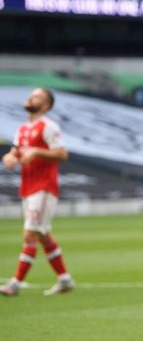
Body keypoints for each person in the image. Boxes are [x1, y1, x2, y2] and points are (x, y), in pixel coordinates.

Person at [1, 87, 76, 296]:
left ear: (46, 106)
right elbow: (16, 151)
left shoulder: (49, 127)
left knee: (30, 233)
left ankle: (14, 284)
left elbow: (62, 153)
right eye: (30, 95)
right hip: (28, 186)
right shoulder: (23, 128)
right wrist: (10, 157)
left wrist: (37, 151)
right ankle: (65, 279)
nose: (30, 98)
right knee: (43, 235)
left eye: (36, 97)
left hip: (43, 187)